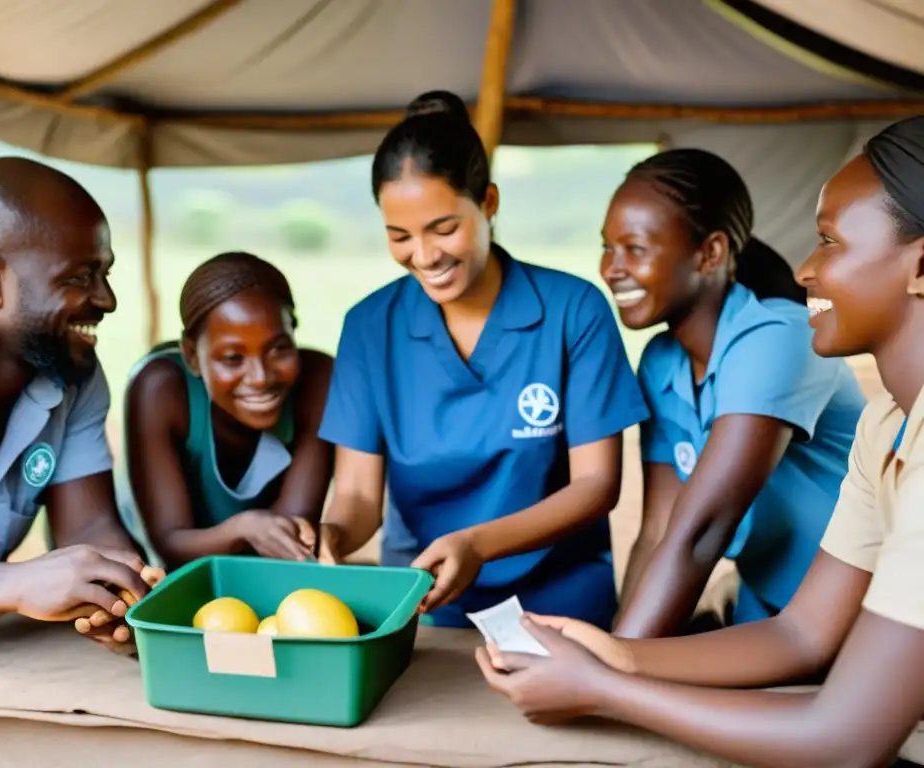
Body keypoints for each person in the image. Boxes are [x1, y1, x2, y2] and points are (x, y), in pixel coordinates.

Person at [477, 115, 924, 768]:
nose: (804, 268)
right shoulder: (889, 423)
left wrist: (603, 688)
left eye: (830, 242)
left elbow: (847, 738)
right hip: (798, 622)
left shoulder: (774, 338)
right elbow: (799, 632)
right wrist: (616, 654)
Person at [315, 90, 650, 630]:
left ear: (489, 202)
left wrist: (477, 544)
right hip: (425, 601)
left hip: (560, 604)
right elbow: (355, 494)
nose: (424, 257)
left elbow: (596, 485)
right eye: (399, 236)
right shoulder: (368, 326)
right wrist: (332, 534)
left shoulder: (572, 310)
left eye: (444, 228)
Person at [599, 148, 866, 637]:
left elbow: (704, 529)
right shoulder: (661, 362)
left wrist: (609, 667)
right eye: (607, 248)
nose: (612, 268)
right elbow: (660, 528)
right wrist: (615, 642)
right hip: (768, 608)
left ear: (711, 253)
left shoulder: (777, 338)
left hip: (862, 617)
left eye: (634, 248)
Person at [0, 156, 159, 657]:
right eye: (80, 277)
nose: (107, 300)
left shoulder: (70, 372)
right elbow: (19, 585)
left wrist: (121, 594)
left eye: (104, 274)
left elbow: (88, 530)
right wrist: (12, 585)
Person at [117, 251, 334, 570]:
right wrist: (243, 529)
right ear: (191, 355)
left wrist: (259, 531)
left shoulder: (317, 379)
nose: (260, 378)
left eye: (279, 348)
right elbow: (170, 545)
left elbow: (291, 541)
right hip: (150, 573)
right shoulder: (161, 389)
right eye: (233, 358)